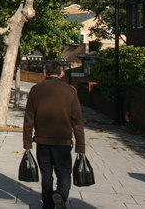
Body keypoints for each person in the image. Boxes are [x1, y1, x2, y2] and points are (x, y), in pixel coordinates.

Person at [23, 62, 85, 209]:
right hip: (63, 141)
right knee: (64, 172)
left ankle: (48, 203)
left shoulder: (35, 90)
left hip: (42, 140)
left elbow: (28, 119)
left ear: (45, 73)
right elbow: (77, 121)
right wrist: (80, 145)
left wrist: (27, 143)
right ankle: (61, 195)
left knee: (46, 173)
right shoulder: (70, 91)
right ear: (61, 73)